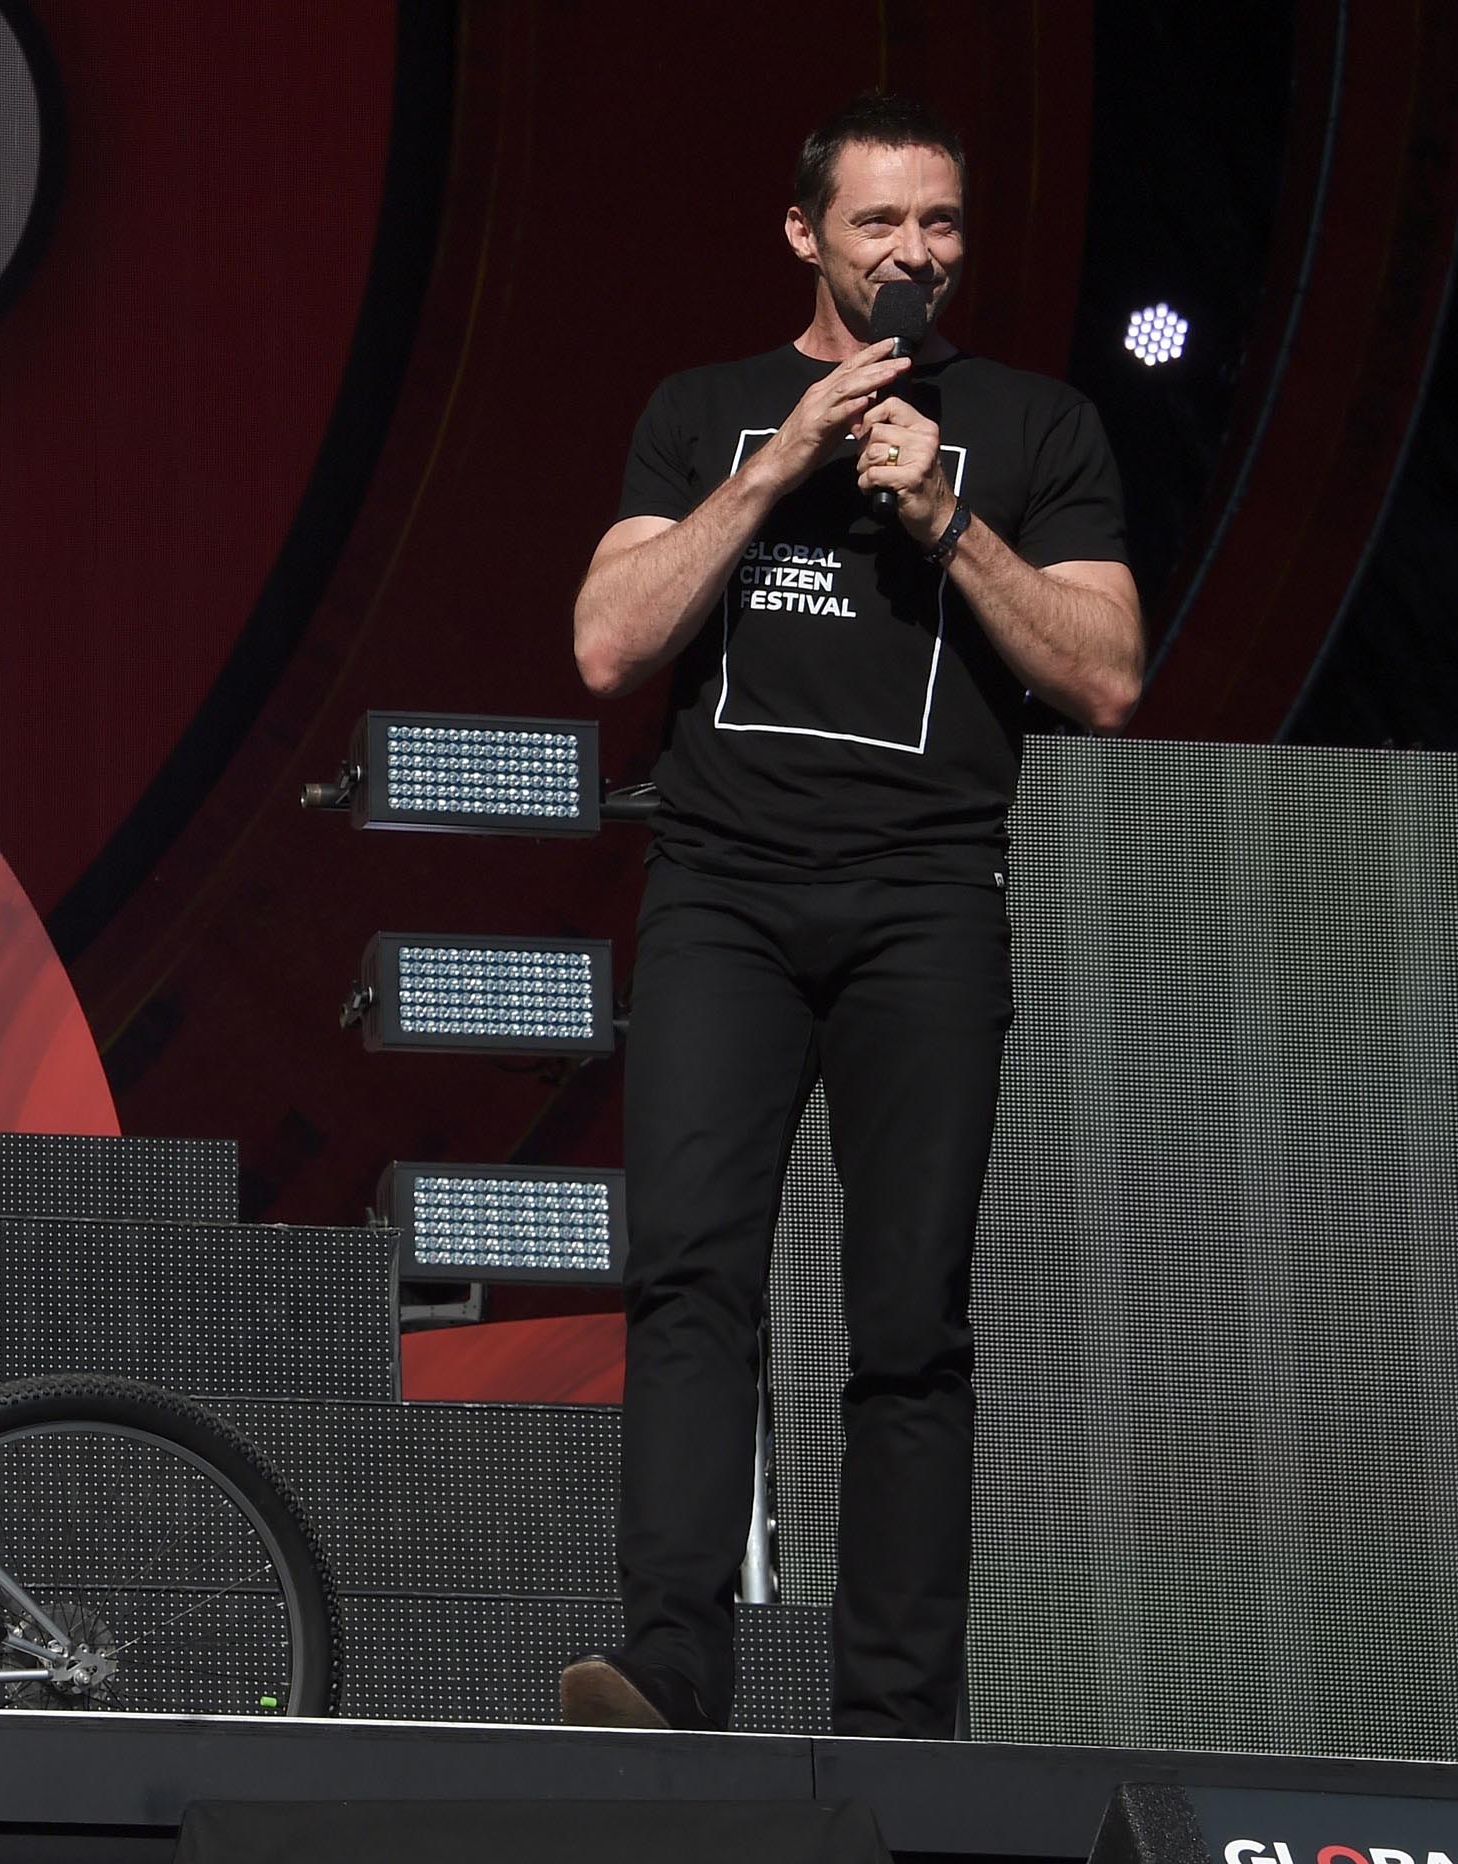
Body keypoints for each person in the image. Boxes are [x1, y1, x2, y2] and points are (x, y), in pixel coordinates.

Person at [559, 94, 1142, 1739]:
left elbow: (1103, 673)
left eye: (941, 224)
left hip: (927, 906)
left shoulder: (1038, 427)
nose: (916, 254)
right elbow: (611, 643)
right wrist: (786, 462)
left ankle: (898, 1715)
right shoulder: (705, 411)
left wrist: (941, 514)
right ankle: (672, 1669)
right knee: (689, 1281)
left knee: (909, 1320)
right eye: (881, 223)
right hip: (724, 901)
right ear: (807, 235)